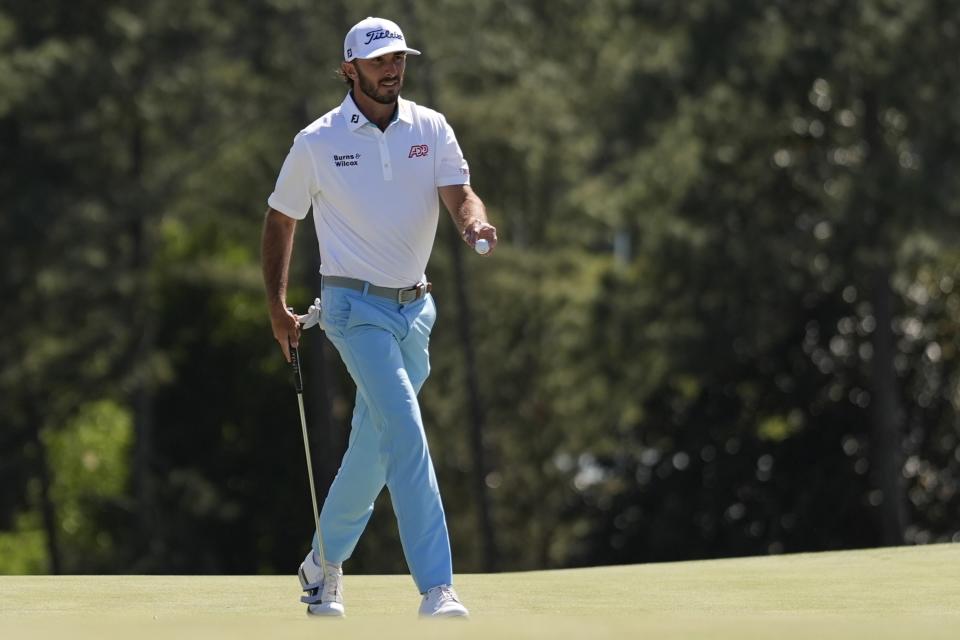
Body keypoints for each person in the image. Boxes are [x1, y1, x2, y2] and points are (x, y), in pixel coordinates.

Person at [260, 16, 497, 618]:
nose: (392, 69)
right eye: (378, 61)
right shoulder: (316, 141)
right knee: (407, 432)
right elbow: (281, 219)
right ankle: (437, 587)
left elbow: (459, 191)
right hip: (351, 309)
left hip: (415, 311)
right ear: (349, 70)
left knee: (376, 447)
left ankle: (321, 564)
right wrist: (276, 305)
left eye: (398, 59)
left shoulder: (431, 126)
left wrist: (472, 223)